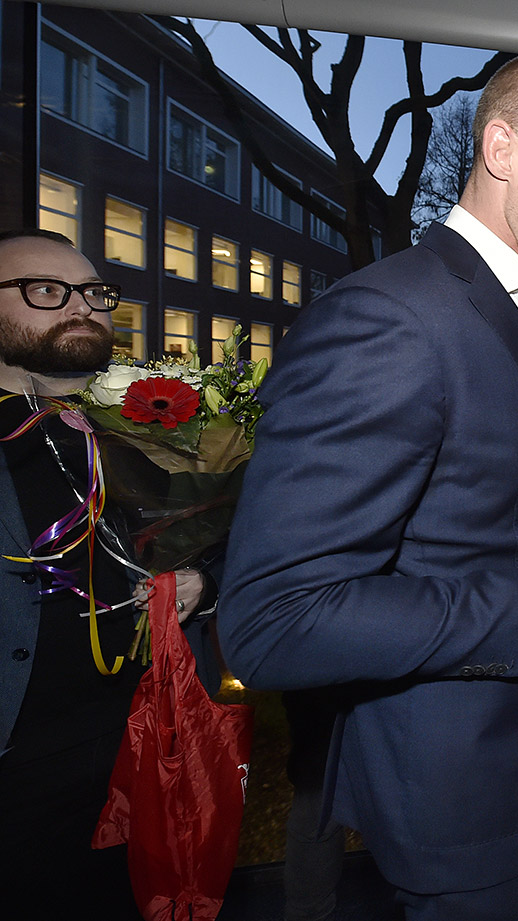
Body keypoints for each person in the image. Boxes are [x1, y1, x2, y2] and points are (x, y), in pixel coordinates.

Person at [218, 53, 518, 920]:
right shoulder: (390, 319)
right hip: (460, 792)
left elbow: (477, 488)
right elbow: (273, 620)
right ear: (501, 148)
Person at [0, 230, 212, 917]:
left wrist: (200, 581)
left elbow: (201, 541)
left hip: (132, 780)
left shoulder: (137, 433)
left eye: (95, 292)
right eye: (46, 290)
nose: (83, 307)